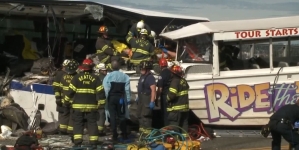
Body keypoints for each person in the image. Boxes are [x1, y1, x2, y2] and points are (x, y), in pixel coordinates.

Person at [64, 58, 103, 147]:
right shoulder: (95, 78)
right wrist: (102, 103)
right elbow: (101, 92)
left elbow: (70, 92)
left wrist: (66, 102)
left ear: (82, 68)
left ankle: (78, 143)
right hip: (92, 106)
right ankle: (93, 142)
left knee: (78, 123)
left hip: (78, 106)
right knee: (92, 123)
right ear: (91, 68)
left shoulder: (76, 77)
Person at [102, 60, 131, 142]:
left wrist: (106, 100)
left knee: (112, 116)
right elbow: (127, 90)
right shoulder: (125, 76)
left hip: (111, 98)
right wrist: (128, 100)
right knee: (122, 116)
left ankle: (114, 134)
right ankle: (124, 133)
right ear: (119, 67)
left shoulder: (108, 77)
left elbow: (106, 89)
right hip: (121, 98)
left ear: (111, 67)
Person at [166, 65, 189, 137]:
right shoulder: (183, 81)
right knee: (184, 125)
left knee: (174, 126)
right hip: (185, 108)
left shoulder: (175, 81)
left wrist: (167, 99)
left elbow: (172, 95)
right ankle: (184, 142)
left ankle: (176, 142)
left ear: (173, 73)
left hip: (176, 109)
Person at [59, 59, 79, 136]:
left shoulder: (63, 76)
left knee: (65, 114)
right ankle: (70, 131)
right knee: (72, 115)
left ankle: (62, 129)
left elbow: (61, 87)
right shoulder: (76, 77)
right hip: (73, 100)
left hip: (64, 99)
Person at [136, 61, 156, 134]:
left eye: (143, 69)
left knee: (146, 116)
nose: (141, 70)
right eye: (141, 68)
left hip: (147, 98)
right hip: (141, 98)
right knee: (139, 115)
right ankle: (142, 133)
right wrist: (138, 97)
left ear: (147, 69)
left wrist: (152, 101)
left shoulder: (150, 77)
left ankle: (147, 134)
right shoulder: (142, 76)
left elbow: (153, 90)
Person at [52, 59, 70, 134]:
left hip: (68, 99)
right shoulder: (60, 74)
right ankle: (62, 130)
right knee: (62, 114)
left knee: (68, 115)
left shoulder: (70, 74)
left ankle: (66, 130)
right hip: (61, 99)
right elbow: (56, 87)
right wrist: (58, 98)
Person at [156, 58, 172, 127]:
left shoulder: (161, 75)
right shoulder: (171, 72)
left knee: (165, 114)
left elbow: (160, 88)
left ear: (160, 66)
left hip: (165, 96)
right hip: (172, 95)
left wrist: (156, 98)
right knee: (171, 113)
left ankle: (166, 130)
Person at [94, 63, 108, 136]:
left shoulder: (95, 78)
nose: (105, 71)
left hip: (95, 99)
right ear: (100, 71)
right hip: (101, 98)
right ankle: (100, 130)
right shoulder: (105, 78)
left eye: (106, 70)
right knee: (101, 114)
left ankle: (96, 129)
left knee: (97, 115)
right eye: (104, 70)